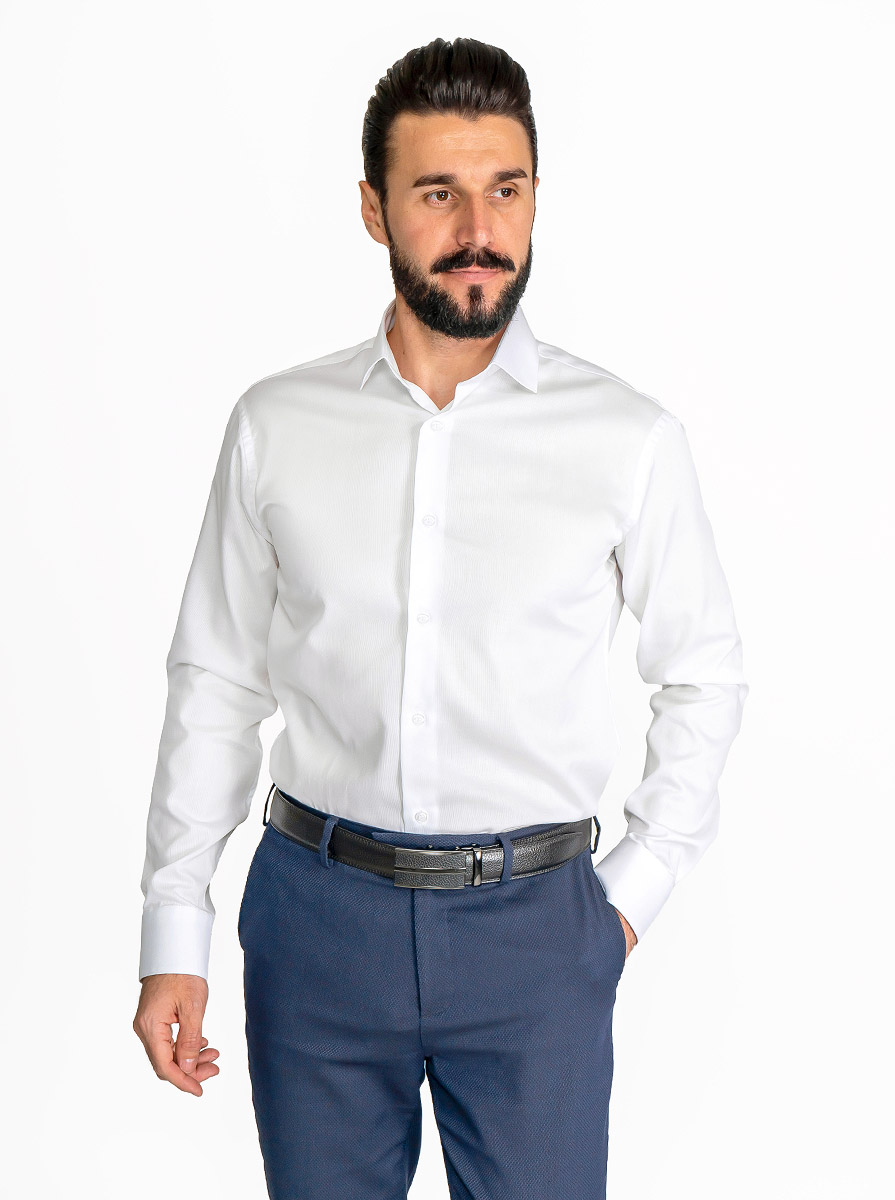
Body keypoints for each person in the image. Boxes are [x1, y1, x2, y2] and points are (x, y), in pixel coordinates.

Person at [133, 36, 748, 1199]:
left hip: (538, 935)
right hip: (316, 923)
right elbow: (216, 678)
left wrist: (626, 902)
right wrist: (175, 927)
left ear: (536, 198)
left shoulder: (626, 438)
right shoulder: (277, 425)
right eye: (437, 194)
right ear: (374, 209)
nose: (478, 229)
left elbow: (704, 675)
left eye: (505, 190)